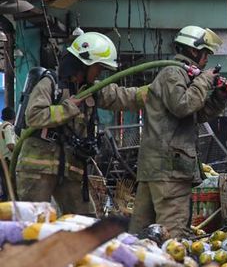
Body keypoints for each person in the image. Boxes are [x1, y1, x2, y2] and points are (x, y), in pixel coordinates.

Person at [16, 32, 149, 214]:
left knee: (85, 221)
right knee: (32, 221)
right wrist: (68, 108)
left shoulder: (92, 90)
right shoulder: (51, 83)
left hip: (71, 170)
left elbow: (125, 97)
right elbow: (34, 116)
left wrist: (158, 90)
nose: (100, 73)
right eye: (98, 67)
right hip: (38, 168)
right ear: (84, 64)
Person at [130, 25, 227, 238]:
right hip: (170, 171)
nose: (207, 59)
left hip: (160, 169)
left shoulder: (182, 76)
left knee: (140, 237)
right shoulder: (173, 72)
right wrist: (205, 80)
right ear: (194, 51)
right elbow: (183, 105)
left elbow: (196, 114)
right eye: (206, 53)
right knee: (173, 236)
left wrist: (219, 97)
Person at [0, 108, 16, 200]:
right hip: (7, 161)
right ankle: (9, 203)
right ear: (14, 118)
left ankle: (5, 201)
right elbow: (10, 145)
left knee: (4, 183)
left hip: (1, 159)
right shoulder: (8, 127)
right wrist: (17, 153)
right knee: (10, 184)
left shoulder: (1, 126)